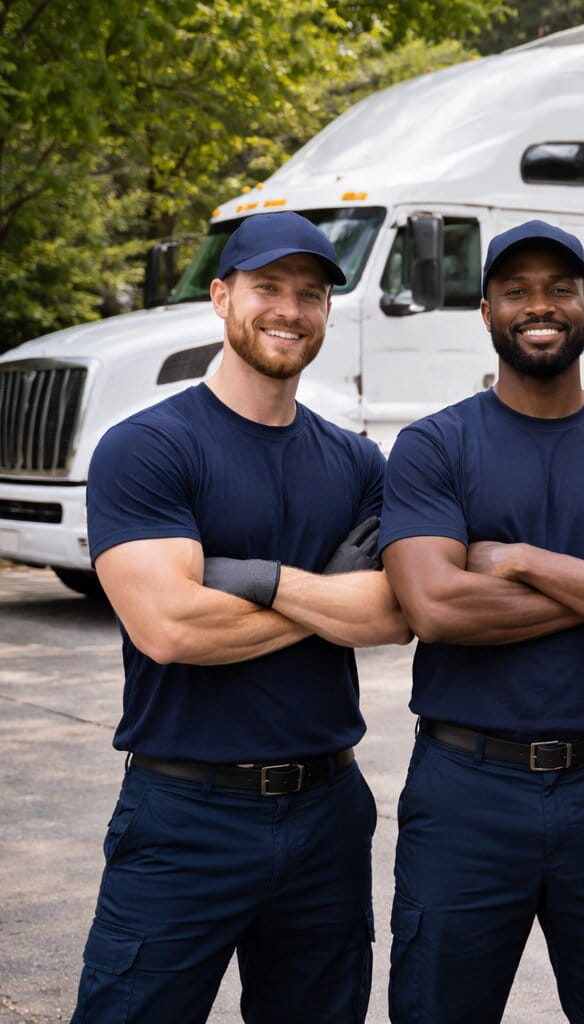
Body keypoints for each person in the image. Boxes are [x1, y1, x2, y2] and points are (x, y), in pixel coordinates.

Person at [72, 211, 410, 1023]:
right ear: (222, 297)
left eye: (310, 293)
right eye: (267, 288)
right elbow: (172, 629)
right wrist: (326, 593)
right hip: (186, 811)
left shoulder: (357, 461)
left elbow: (394, 614)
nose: (289, 309)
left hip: (328, 811)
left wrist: (254, 578)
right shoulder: (148, 448)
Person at [379, 220, 584, 1024]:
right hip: (465, 788)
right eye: (517, 290)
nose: (541, 305)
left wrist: (521, 560)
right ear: (486, 311)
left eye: (560, 288)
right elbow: (436, 605)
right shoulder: (433, 447)